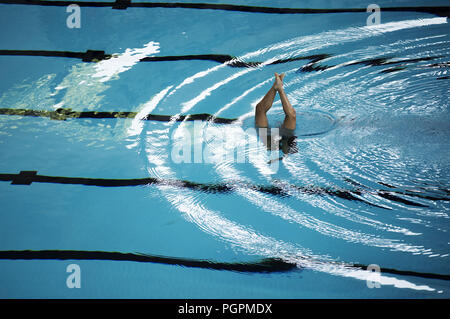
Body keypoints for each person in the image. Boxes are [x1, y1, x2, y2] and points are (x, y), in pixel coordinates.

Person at [255, 73, 297, 156]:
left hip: (273, 139)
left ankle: (277, 87)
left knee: (259, 110)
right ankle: (278, 87)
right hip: (285, 136)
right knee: (291, 116)